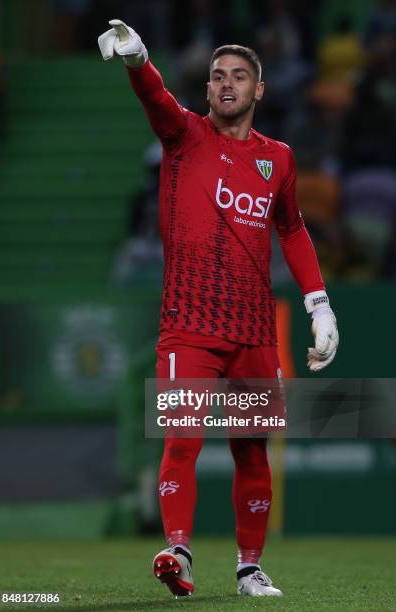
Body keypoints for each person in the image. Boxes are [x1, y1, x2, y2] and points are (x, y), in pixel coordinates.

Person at [98, 19, 339, 599]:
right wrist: (139, 61)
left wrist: (319, 304)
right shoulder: (183, 135)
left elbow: (293, 228)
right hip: (188, 326)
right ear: (206, 90)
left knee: (252, 449)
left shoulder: (278, 159)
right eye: (216, 76)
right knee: (182, 438)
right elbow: (155, 97)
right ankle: (177, 551)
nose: (225, 84)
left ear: (260, 91)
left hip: (254, 328)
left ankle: (249, 569)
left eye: (239, 76)